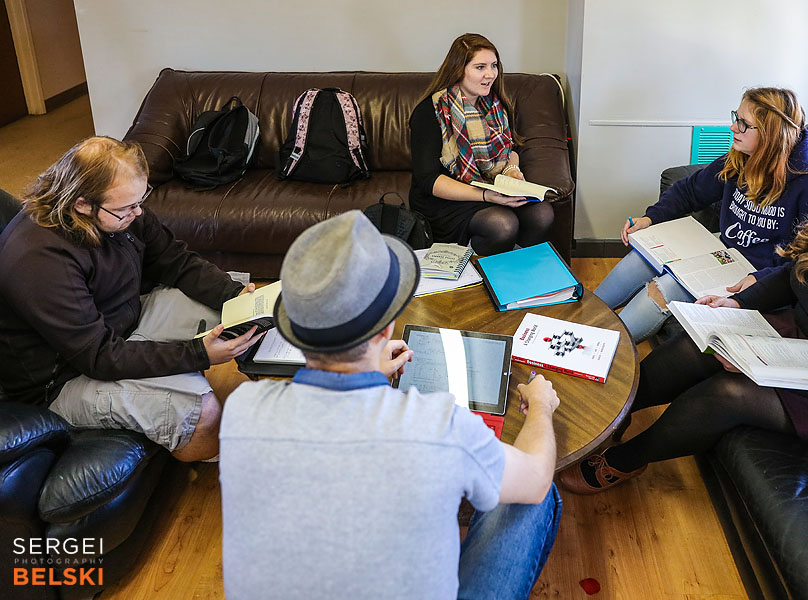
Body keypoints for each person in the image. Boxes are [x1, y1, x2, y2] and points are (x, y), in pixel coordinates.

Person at [219, 210, 562, 599]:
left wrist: (370, 374)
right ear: (386, 327)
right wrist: (540, 407)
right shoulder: (440, 426)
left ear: (295, 332)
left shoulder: (242, 408)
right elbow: (534, 481)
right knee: (536, 490)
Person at [560, 128, 808, 494]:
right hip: (803, 339)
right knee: (698, 344)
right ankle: (613, 415)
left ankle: (625, 461)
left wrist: (765, 370)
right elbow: (792, 275)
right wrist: (736, 303)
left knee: (728, 392)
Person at [0, 137, 262, 462]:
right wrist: (198, 354)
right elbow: (99, 357)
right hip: (68, 379)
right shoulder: (39, 260)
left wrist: (236, 297)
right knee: (203, 413)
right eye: (127, 208)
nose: (138, 213)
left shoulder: (120, 209)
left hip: (124, 325)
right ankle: (225, 466)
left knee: (237, 311)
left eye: (140, 201)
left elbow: (175, 261)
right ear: (82, 204)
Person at [594, 87, 808, 344]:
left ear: (771, 134)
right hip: (721, 256)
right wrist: (651, 218)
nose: (733, 128)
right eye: (736, 117)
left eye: (744, 124)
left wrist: (759, 279)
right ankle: (582, 320)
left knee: (663, 289)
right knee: (639, 260)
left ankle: (602, 347)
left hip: (754, 279)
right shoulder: (741, 159)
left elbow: (805, 260)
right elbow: (690, 191)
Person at [409, 32, 554, 256]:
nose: (490, 74)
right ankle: (480, 275)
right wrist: (486, 195)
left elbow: (511, 149)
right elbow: (428, 180)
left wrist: (512, 171)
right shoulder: (430, 111)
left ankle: (517, 275)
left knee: (542, 214)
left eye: (494, 65)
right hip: (445, 201)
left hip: (491, 185)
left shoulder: (496, 106)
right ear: (459, 70)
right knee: (502, 225)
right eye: (480, 67)